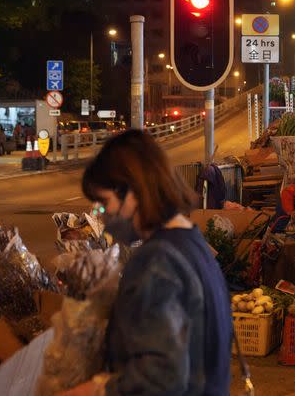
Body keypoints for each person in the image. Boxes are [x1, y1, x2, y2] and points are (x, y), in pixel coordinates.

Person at [62, 130, 231, 396]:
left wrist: (92, 390)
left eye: (104, 203)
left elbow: (161, 378)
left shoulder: (156, 261)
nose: (102, 215)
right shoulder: (193, 244)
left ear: (133, 191)